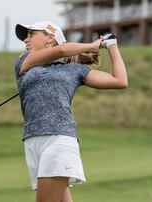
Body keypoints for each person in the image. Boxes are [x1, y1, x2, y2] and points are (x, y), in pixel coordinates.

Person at [14, 21, 127, 202]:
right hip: (32, 141)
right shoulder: (23, 62)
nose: (26, 39)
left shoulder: (74, 70)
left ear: (50, 37)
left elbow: (119, 80)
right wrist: (92, 45)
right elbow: (60, 51)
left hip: (59, 139)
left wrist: (111, 45)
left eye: (31, 34)